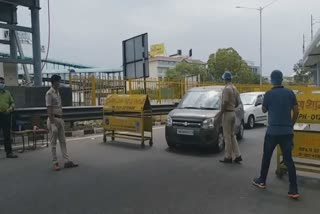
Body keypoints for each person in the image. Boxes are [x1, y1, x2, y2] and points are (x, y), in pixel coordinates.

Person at [252, 70, 300, 199]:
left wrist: (267, 102)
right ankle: (293, 189)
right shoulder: (290, 93)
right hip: (287, 132)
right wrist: (291, 124)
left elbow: (263, 109)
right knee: (289, 160)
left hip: (272, 132)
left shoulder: (268, 94)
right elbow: (296, 110)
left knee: (266, 157)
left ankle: (262, 181)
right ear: (282, 79)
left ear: (272, 80)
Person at [46, 75, 78, 171]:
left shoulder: (57, 92)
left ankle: (67, 161)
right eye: (58, 81)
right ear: (54, 82)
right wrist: (52, 124)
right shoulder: (49, 93)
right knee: (53, 143)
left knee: (63, 141)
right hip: (53, 120)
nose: (59, 83)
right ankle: (55, 162)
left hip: (60, 119)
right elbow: (49, 109)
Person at [217, 71, 242, 164]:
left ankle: (228, 157)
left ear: (225, 79)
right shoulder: (234, 88)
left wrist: (221, 113)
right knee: (232, 135)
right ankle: (238, 155)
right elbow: (238, 102)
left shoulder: (226, 89)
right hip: (233, 113)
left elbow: (225, 102)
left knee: (227, 136)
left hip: (227, 113)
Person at [0, 77, 18, 158]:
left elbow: (12, 103)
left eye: (3, 83)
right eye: (0, 82)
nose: (2, 84)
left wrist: (10, 108)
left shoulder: (7, 92)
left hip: (6, 114)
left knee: (7, 134)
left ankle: (9, 152)